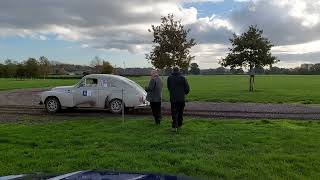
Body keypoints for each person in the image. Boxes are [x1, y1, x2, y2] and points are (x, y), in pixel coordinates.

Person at [167, 67, 190, 132]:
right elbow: (187, 89)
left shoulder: (169, 78)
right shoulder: (183, 78)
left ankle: (174, 126)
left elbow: (169, 87)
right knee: (180, 112)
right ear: (179, 71)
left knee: (174, 112)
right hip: (181, 98)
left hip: (173, 98)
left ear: (173, 71)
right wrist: (183, 93)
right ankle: (180, 124)